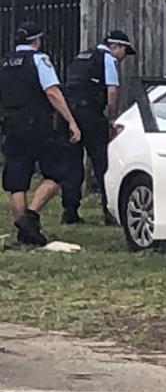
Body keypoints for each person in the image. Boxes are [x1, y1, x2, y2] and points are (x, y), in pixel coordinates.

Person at [0, 21, 81, 246]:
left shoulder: (5, 63)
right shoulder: (39, 59)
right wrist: (71, 121)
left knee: (16, 183)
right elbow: (52, 92)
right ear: (36, 40)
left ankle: (23, 234)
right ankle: (31, 217)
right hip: (37, 125)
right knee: (56, 173)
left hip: (11, 126)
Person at [60, 30, 136, 225]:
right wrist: (112, 118)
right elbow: (112, 91)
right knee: (103, 163)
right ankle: (108, 211)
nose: (123, 58)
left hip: (70, 114)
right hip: (91, 115)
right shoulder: (107, 59)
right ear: (115, 47)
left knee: (71, 164)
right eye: (124, 52)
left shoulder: (81, 57)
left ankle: (69, 212)